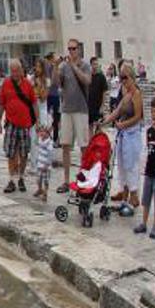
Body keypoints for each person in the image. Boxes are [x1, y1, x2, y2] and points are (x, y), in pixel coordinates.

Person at [101, 65, 144, 209]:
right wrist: (104, 121)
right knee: (122, 165)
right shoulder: (126, 94)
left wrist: (123, 124)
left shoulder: (136, 94)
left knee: (131, 165)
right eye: (121, 77)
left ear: (132, 78)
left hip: (132, 134)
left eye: (125, 77)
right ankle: (125, 195)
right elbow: (117, 111)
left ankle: (134, 196)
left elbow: (138, 116)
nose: (123, 80)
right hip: (124, 134)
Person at [55, 39, 93, 193]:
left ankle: (83, 178)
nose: (71, 51)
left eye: (73, 48)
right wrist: (56, 67)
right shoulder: (63, 66)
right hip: (66, 109)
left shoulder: (85, 65)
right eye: (69, 48)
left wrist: (73, 66)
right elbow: (58, 83)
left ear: (79, 49)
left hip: (81, 109)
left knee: (83, 145)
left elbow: (87, 80)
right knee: (65, 145)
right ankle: (65, 180)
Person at [0, 59, 36, 193]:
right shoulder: (6, 83)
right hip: (11, 123)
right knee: (11, 153)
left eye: (16, 70)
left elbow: (34, 103)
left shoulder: (27, 84)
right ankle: (12, 179)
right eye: (12, 71)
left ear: (21, 70)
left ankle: (21, 177)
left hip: (25, 124)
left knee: (24, 152)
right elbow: (1, 103)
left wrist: (37, 122)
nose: (14, 73)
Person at [135, 95, 155, 238]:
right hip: (149, 171)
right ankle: (144, 223)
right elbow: (147, 149)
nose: (154, 115)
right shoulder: (148, 131)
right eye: (152, 111)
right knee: (146, 200)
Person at [33, 125, 55, 200]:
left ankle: (45, 192)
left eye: (44, 132)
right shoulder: (40, 139)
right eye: (40, 131)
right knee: (38, 179)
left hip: (46, 166)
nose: (42, 133)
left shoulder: (49, 143)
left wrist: (47, 164)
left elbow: (50, 155)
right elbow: (35, 142)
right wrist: (36, 134)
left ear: (48, 134)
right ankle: (39, 189)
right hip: (39, 164)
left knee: (46, 180)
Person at [88, 57, 108, 135]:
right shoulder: (88, 76)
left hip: (98, 105)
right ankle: (91, 143)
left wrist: (102, 106)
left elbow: (104, 92)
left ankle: (98, 142)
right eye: (94, 64)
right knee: (89, 125)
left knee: (99, 125)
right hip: (89, 105)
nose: (95, 66)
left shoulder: (101, 77)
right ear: (91, 65)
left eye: (96, 64)